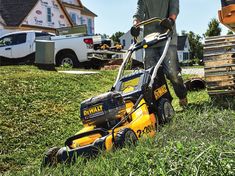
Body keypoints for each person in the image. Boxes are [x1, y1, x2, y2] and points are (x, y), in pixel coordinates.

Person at [133, 0, 188, 106]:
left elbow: (174, 6)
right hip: (150, 40)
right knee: (151, 75)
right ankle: (161, 103)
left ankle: (182, 96)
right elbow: (139, 11)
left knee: (172, 73)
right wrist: (136, 25)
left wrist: (171, 19)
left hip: (167, 37)